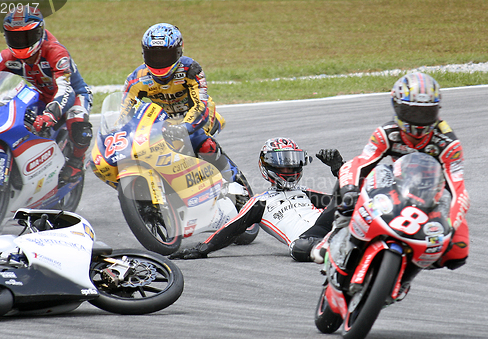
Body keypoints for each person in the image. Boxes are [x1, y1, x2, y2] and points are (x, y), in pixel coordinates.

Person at [318, 72, 470, 270]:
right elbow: (358, 164)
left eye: (425, 114)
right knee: (353, 183)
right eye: (412, 113)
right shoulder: (387, 132)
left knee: (458, 252)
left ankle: (406, 272)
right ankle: (335, 234)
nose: (418, 122)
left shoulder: (449, 144)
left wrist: (451, 224)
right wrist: (349, 190)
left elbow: (459, 192)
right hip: (395, 185)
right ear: (397, 108)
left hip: (432, 196)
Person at [169, 137, 345, 262]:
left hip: (329, 228)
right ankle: (339, 246)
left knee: (348, 199)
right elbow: (231, 229)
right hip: (305, 242)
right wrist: (202, 248)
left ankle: (339, 242)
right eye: (283, 162)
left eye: (293, 162)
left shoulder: (306, 192)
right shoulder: (260, 202)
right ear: (267, 165)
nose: (289, 167)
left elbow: (344, 202)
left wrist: (339, 169)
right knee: (299, 249)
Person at [121, 23, 236, 181]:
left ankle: (235, 181)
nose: (159, 61)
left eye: (165, 55)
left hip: (197, 117)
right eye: (153, 55)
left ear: (179, 51)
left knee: (201, 142)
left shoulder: (190, 69)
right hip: (162, 124)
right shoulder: (136, 79)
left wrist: (184, 128)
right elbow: (123, 116)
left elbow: (200, 105)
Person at [0, 6, 93, 183]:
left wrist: (50, 114)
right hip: (39, 97)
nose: (20, 42)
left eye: (26, 36)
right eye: (14, 37)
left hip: (73, 94)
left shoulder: (56, 52)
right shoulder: (6, 57)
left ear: (39, 33)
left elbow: (65, 88)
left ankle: (76, 161)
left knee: (79, 126)